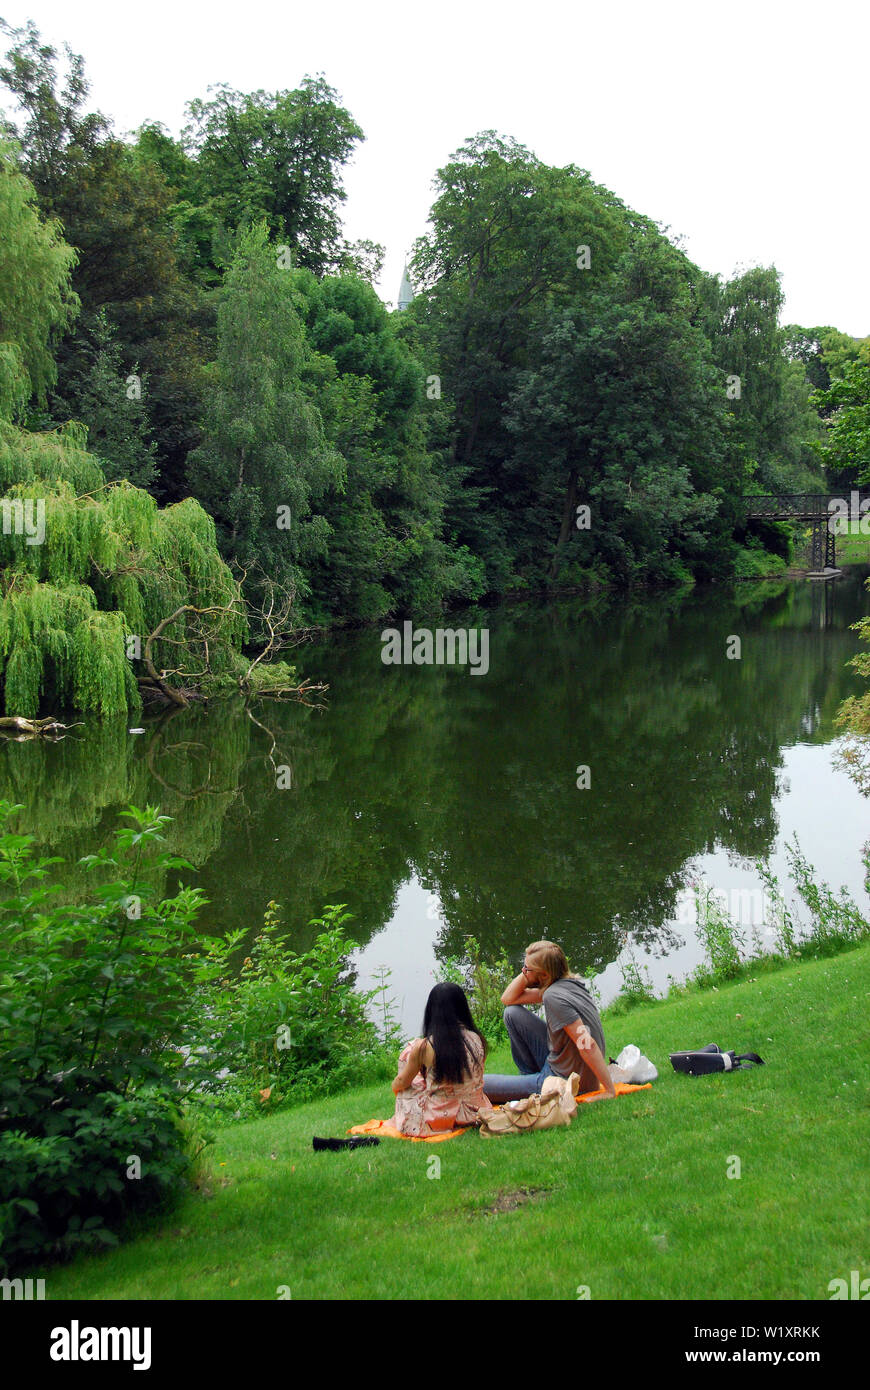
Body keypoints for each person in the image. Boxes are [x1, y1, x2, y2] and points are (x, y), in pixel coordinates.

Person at [482, 940, 616, 1104]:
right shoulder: (570, 985)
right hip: (561, 1064)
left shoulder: (553, 998)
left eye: (527, 970)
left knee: (479, 1085)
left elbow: (588, 1044)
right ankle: (529, 1081)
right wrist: (529, 969)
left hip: (565, 1081)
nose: (523, 972)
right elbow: (508, 999)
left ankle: (535, 1086)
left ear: (544, 975)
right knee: (512, 1013)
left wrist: (608, 1089)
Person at [390, 982, 490, 1136]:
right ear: (463, 1008)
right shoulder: (477, 1038)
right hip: (475, 1111)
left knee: (408, 1083)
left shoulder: (425, 1046)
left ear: (432, 1010)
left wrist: (395, 1086)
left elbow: (401, 1083)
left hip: (440, 1119)